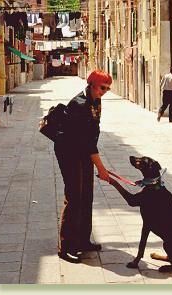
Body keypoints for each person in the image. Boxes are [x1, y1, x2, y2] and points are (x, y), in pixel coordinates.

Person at [54, 70, 112, 263]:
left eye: (107, 88)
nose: (104, 91)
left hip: (83, 149)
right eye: (102, 87)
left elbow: (91, 136)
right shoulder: (80, 105)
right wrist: (102, 169)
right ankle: (66, 247)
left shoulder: (95, 101)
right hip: (69, 151)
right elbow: (88, 142)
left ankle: (82, 240)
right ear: (92, 84)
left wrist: (97, 166)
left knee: (87, 194)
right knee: (75, 196)